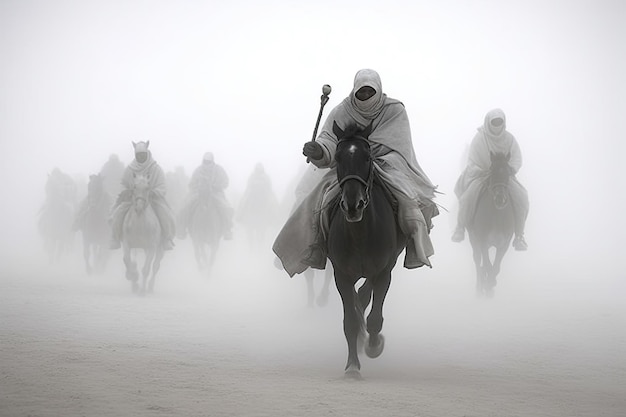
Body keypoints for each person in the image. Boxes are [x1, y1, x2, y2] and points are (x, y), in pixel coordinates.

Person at [273, 68, 439, 277]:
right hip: (350, 166)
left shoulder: (395, 110)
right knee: (318, 202)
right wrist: (320, 150)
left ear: (378, 90)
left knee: (409, 200)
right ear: (354, 91)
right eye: (362, 92)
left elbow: (399, 144)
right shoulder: (342, 110)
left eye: (370, 92)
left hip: (387, 164)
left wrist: (373, 158)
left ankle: (415, 245)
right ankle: (313, 248)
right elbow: (329, 140)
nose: (366, 96)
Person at [451, 108, 529, 250]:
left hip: (504, 177)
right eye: (494, 121)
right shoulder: (480, 138)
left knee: (522, 196)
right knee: (467, 197)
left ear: (504, 122)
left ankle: (519, 236)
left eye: (500, 121)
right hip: (482, 175)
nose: (497, 124)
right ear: (488, 122)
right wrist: (482, 170)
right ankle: (460, 227)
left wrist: (510, 169)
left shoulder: (510, 139)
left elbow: (517, 158)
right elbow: (472, 161)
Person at [108, 141, 176, 250]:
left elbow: (162, 185)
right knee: (118, 212)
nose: (141, 157)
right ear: (135, 155)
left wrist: (154, 192)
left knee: (165, 213)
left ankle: (166, 239)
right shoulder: (130, 169)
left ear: (147, 153)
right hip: (133, 198)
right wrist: (127, 191)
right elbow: (123, 183)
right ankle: (115, 238)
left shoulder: (155, 168)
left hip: (152, 199)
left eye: (143, 155)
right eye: (138, 155)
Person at [177, 152, 233, 240]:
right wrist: (198, 187)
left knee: (226, 207)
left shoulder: (219, 170)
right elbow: (191, 184)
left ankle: (227, 229)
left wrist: (215, 186)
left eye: (208, 162)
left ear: (212, 161)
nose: (206, 164)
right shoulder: (198, 170)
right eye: (205, 161)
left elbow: (225, 182)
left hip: (215, 193)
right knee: (185, 206)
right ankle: (182, 228)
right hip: (199, 193)